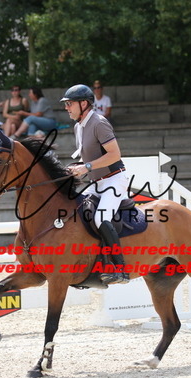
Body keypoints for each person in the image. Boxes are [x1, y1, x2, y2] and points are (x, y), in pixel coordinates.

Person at [62, 84, 130, 285]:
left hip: (114, 179)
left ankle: (121, 269)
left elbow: (114, 155)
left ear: (84, 104)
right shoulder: (78, 126)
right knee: (80, 214)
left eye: (70, 103)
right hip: (96, 182)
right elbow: (87, 158)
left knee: (101, 218)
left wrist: (87, 167)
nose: (66, 108)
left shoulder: (99, 123)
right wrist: (74, 168)